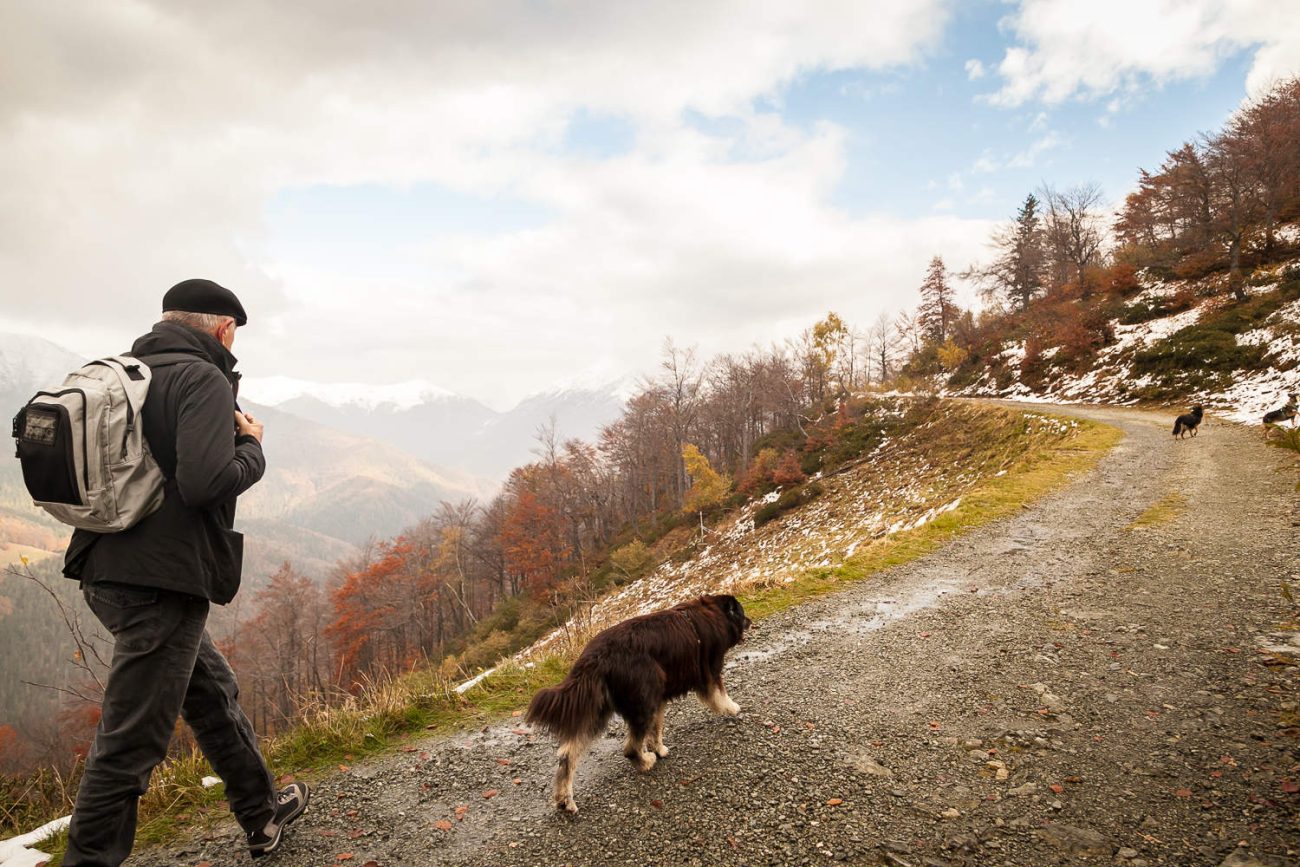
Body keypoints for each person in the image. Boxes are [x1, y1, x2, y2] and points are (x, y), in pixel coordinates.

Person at [61, 279, 308, 865]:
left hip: (106, 567)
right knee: (131, 742)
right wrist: (252, 448)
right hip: (162, 581)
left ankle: (261, 808)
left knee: (211, 692)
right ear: (224, 329)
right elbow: (205, 484)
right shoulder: (202, 379)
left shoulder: (129, 374)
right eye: (235, 336)